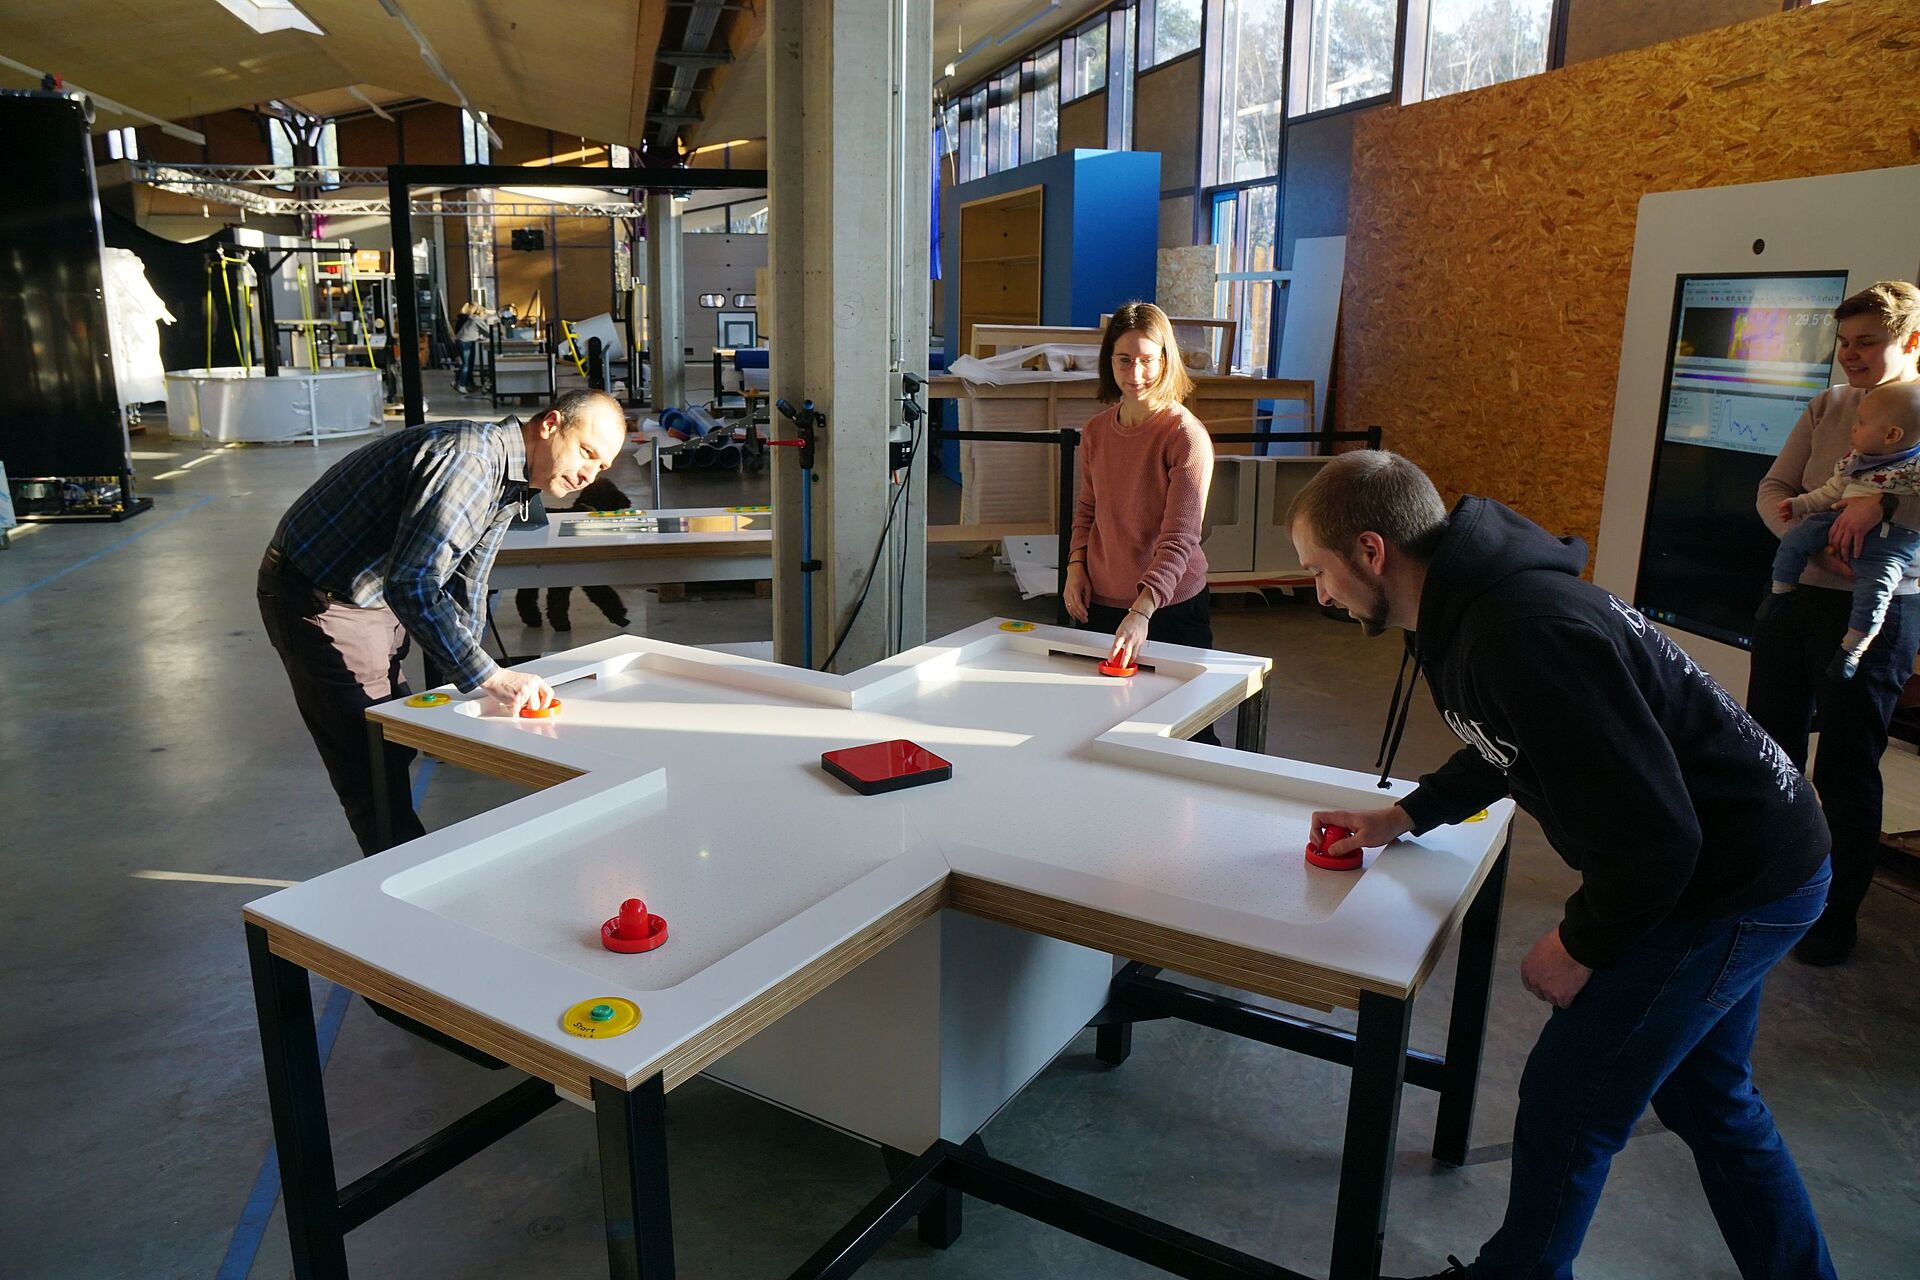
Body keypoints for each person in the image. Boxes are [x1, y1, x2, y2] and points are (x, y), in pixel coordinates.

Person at [1289, 451, 1836, 1280]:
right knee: (1707, 1097)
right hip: (1743, 856)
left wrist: (1581, 943)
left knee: (1569, 1099)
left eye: (1318, 572)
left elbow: (1658, 839)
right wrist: (1406, 814)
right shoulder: (1468, 609)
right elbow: (1509, 738)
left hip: (1735, 879)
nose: (1320, 594)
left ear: (1371, 551)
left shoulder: (1521, 631)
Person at [258, 390, 627, 856]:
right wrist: (489, 676)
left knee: (393, 741)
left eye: (601, 466)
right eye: (586, 452)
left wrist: (475, 678)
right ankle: (405, 880)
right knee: (370, 768)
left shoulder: (514, 477)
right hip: (320, 598)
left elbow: (469, 580)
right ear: (551, 424)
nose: (589, 474)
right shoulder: (470, 462)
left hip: (372, 595)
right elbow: (413, 584)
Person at [1750, 279, 1920, 964]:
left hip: (1875, 615)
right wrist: (1811, 545)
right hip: (1798, 600)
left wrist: (1884, 511)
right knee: (1770, 749)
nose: (1850, 355)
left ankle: (1832, 914)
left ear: (1911, 341)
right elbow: (1774, 489)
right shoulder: (1828, 406)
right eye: (1844, 343)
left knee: (1848, 770)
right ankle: (1766, 883)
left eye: (1866, 343)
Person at [1063, 302, 1218, 742]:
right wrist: (1076, 565)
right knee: (1097, 728)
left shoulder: (1185, 436)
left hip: (1168, 609)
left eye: (1147, 360)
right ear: (1109, 361)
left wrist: (1141, 610)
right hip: (1101, 602)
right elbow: (1087, 509)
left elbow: (1180, 537)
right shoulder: (1096, 432)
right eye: (1124, 360)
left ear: (1166, 361)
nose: (1135, 373)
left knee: (1183, 734)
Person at [1764, 382, 1920, 678]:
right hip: (1811, 579)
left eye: (1861, 423)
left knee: (1874, 594)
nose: (1853, 428)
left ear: (1892, 435)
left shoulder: (1913, 463)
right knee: (1801, 535)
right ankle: (1779, 593)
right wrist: (1801, 512)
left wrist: (1885, 505)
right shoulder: (1832, 412)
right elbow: (1821, 489)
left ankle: (1853, 649)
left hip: (1888, 563)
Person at [515, 473, 634, 632]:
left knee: (530, 580)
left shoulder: (572, 516)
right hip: (556, 548)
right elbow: (625, 503)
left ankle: (534, 618)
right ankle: (613, 614)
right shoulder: (584, 525)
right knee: (578, 579)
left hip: (535, 542)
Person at [454, 301, 488, 395]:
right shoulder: (477, 320)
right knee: (466, 364)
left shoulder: (471, 318)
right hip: (466, 342)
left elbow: (473, 330)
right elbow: (488, 332)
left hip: (461, 340)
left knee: (466, 364)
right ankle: (461, 385)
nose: (485, 316)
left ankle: (457, 382)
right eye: (485, 314)